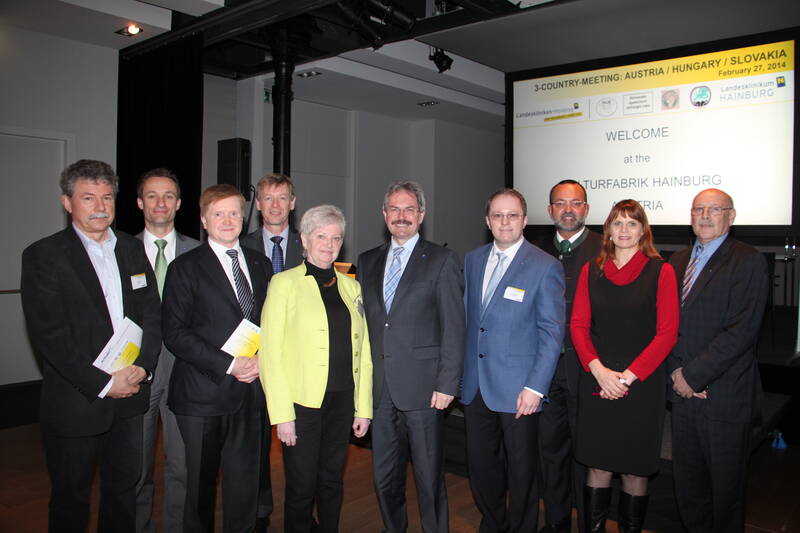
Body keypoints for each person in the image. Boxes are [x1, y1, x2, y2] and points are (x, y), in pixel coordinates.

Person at [20, 159, 162, 533]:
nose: (100, 206)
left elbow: (151, 313)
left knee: (122, 495)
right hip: (76, 402)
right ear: (67, 202)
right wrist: (104, 383)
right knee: (70, 502)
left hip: (130, 397)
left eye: (107, 197)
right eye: (88, 197)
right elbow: (50, 337)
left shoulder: (132, 249)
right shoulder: (43, 255)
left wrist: (144, 367)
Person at [162, 184, 272, 533]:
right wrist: (230, 364)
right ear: (204, 219)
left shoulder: (261, 264)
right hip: (202, 396)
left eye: (234, 213)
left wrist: (263, 359)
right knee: (200, 492)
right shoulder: (184, 267)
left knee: (245, 489)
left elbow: (272, 322)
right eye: (218, 213)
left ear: (244, 217)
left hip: (250, 393)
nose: (227, 220)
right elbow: (175, 333)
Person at [356, 181, 465, 533]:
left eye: (409, 209)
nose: (401, 216)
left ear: (421, 215)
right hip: (380, 389)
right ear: (384, 214)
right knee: (384, 477)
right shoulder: (367, 260)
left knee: (429, 477)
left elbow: (454, 327)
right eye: (394, 209)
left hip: (424, 389)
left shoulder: (442, 260)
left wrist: (447, 383)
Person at [260, 204, 372, 533]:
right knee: (301, 486)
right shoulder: (284, 283)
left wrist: (363, 408)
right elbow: (270, 353)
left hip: (342, 401)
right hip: (302, 404)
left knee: (331, 481)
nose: (329, 244)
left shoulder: (351, 286)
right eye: (321, 236)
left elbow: (363, 352)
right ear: (305, 240)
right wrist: (282, 415)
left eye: (336, 238)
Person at [570, 199, 679, 533]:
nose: (624, 230)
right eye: (617, 223)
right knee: (598, 467)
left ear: (643, 230)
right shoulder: (592, 270)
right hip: (597, 380)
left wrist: (627, 378)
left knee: (634, 471)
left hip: (641, 386)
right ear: (608, 229)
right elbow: (578, 326)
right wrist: (599, 371)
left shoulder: (661, 271)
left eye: (632, 223)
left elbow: (667, 333)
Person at [462, 187, 564, 533]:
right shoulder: (472, 260)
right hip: (476, 386)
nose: (505, 222)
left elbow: (551, 333)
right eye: (498, 215)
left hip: (520, 389)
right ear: (487, 221)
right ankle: (493, 523)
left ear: (525, 220)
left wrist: (536, 386)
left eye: (512, 215)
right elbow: (470, 321)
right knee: (482, 467)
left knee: (522, 472)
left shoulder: (545, 266)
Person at [668, 189, 768, 533]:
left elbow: (741, 331)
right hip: (682, 396)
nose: (705, 216)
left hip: (723, 397)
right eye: (699, 209)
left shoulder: (748, 260)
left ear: (731, 216)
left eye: (714, 209)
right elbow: (665, 324)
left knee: (726, 495)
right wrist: (675, 373)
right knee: (689, 490)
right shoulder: (676, 261)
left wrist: (693, 376)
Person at [134, 168, 200, 533]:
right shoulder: (121, 251)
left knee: (183, 465)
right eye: (152, 195)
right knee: (136, 465)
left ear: (179, 203)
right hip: (136, 370)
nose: (161, 203)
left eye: (168, 196)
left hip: (185, 370)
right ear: (139, 202)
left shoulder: (199, 252)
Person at [538, 180, 602, 533]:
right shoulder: (534, 249)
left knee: (588, 451)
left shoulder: (606, 248)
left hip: (589, 368)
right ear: (550, 210)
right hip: (546, 370)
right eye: (560, 203)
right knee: (550, 451)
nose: (567, 210)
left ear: (586, 209)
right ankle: (557, 522)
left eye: (575, 203)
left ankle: (589, 524)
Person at [241, 173, 301, 530]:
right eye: (268, 198)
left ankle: (300, 513)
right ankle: (259, 511)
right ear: (259, 204)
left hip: (298, 361)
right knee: (256, 443)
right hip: (253, 359)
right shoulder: (240, 244)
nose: (275, 205)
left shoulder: (310, 243)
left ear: (292, 203)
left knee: (300, 447)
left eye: (282, 198)